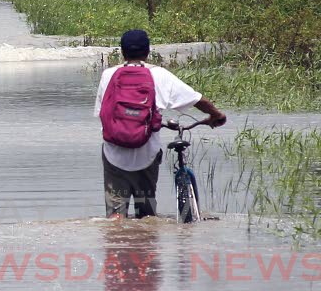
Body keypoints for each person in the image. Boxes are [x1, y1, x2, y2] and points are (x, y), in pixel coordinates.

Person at [93, 29, 226, 219]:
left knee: (115, 217)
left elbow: (102, 114)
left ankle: (116, 240)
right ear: (147, 52)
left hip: (114, 156)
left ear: (122, 52)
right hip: (146, 155)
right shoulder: (160, 75)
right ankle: (146, 238)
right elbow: (197, 100)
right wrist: (216, 114)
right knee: (147, 215)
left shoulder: (108, 75)